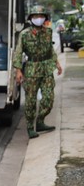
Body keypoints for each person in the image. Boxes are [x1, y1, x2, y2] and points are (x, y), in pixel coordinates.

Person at [13, 10, 63, 139]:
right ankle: (30, 127)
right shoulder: (24, 34)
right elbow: (18, 52)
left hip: (46, 68)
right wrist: (18, 70)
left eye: (41, 16)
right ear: (31, 18)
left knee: (48, 98)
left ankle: (40, 121)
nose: (39, 18)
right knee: (30, 100)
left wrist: (56, 62)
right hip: (31, 69)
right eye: (36, 16)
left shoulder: (48, 31)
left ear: (45, 18)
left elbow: (50, 48)